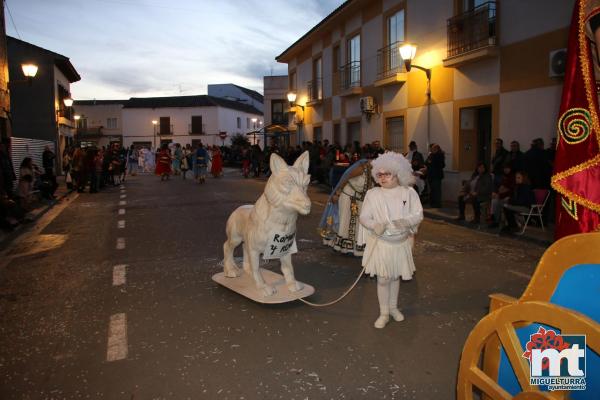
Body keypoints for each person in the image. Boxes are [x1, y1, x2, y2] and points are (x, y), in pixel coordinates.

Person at [359, 152, 423, 329]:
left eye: (387, 174)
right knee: (383, 279)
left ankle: (394, 308)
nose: (382, 178)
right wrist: (374, 225)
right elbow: (364, 217)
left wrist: (405, 222)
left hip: (400, 243)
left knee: (395, 276)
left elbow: (418, 214)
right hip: (382, 244)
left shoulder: (408, 193)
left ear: (398, 174)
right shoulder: (373, 194)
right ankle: (384, 312)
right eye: (379, 175)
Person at [319, 159, 374, 256]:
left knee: (356, 223)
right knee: (345, 221)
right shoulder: (362, 168)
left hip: (359, 199)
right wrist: (337, 193)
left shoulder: (376, 174)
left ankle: (352, 247)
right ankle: (342, 246)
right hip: (347, 196)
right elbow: (346, 178)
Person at [425, 143, 445, 208]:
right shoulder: (431, 155)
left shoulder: (440, 155)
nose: (431, 150)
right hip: (430, 175)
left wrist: (431, 162)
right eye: (431, 149)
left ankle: (437, 204)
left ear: (436, 149)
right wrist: (429, 162)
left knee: (437, 190)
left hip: (436, 175)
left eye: (432, 149)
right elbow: (426, 162)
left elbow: (442, 165)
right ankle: (432, 203)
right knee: (432, 190)